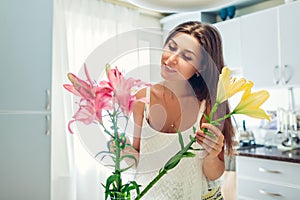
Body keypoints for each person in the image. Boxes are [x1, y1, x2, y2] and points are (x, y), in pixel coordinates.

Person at [126, 21, 235, 199]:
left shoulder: (207, 105)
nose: (170, 60)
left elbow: (214, 173)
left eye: (187, 57)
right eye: (171, 47)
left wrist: (212, 155)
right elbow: (137, 158)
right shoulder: (142, 99)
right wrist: (120, 150)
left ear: (201, 67)